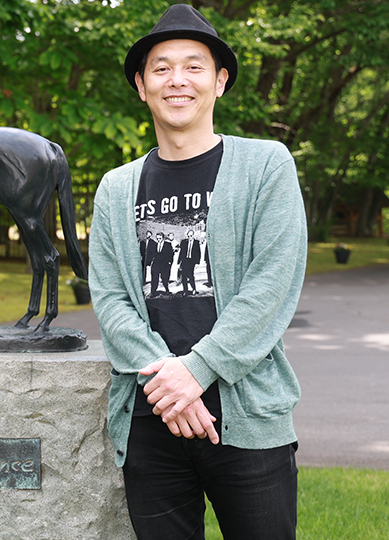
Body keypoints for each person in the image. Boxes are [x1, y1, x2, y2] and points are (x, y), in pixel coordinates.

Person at [87, 4, 307, 539]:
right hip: (151, 419)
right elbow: (110, 300)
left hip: (247, 418)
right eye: (161, 68)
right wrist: (170, 381)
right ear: (142, 86)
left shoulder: (266, 165)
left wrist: (196, 372)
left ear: (220, 81)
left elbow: (272, 283)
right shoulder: (116, 188)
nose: (176, 80)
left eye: (193, 66)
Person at [178, 229, 202, 295]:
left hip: (192, 261)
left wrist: (197, 263)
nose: (189, 237)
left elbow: (198, 253)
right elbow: (181, 252)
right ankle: (185, 290)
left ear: (193, 235)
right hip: (185, 261)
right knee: (183, 277)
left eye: (191, 236)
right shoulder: (184, 242)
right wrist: (178, 262)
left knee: (190, 276)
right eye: (188, 236)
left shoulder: (196, 242)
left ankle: (193, 288)